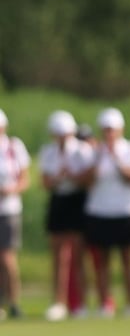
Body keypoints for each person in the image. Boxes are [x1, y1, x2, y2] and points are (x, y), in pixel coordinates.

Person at [82, 108, 130, 318]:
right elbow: (85, 182)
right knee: (102, 263)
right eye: (106, 130)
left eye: (113, 130)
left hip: (126, 211)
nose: (109, 134)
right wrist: (98, 159)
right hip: (99, 211)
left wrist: (116, 159)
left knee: (128, 260)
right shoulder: (93, 152)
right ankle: (105, 305)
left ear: (120, 130)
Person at [39, 111, 92, 321]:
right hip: (58, 201)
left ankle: (80, 303)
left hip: (77, 201)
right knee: (58, 256)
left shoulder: (83, 150)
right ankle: (59, 303)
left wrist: (74, 176)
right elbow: (44, 182)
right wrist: (58, 178)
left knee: (79, 256)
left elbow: (90, 179)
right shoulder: (48, 152)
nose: (62, 137)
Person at [0, 109, 30, 319]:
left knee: (7, 258)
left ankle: (13, 302)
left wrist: (11, 190)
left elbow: (24, 179)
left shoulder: (13, 147)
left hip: (8, 209)